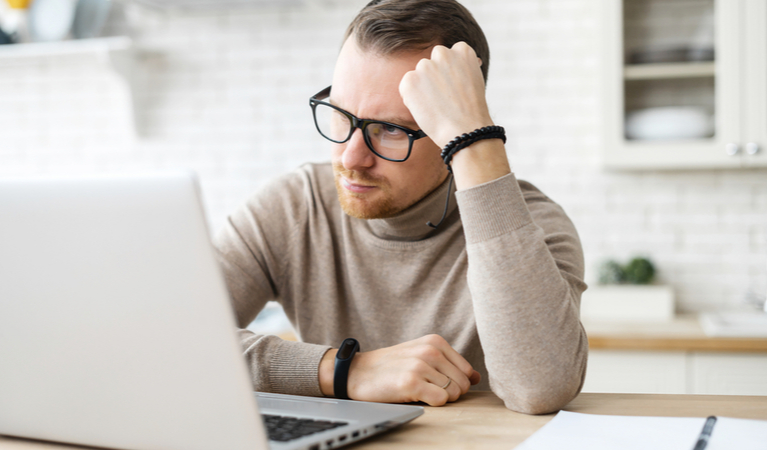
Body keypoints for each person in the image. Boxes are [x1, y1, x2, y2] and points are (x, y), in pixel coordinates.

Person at [214, 0, 588, 415]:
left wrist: (478, 140)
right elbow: (159, 338)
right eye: (340, 114)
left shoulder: (532, 225)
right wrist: (345, 371)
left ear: (451, 128)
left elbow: (540, 388)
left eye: (391, 128)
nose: (351, 158)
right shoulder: (292, 207)